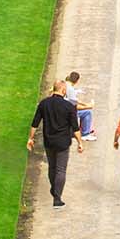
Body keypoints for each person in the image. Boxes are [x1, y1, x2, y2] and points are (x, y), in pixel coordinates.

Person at [26, 80, 83, 208]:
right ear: (63, 90)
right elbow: (75, 128)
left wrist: (30, 138)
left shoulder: (44, 104)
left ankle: (54, 188)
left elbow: (35, 123)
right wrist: (80, 142)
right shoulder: (69, 106)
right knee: (61, 169)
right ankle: (57, 198)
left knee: (52, 167)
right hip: (63, 142)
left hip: (49, 141)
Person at [64, 70, 95, 140]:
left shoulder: (65, 85)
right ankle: (85, 134)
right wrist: (87, 106)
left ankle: (85, 129)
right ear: (77, 81)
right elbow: (75, 106)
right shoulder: (70, 89)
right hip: (67, 113)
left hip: (62, 110)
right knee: (87, 112)